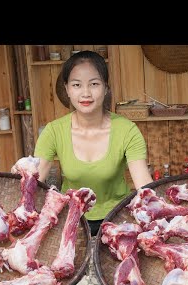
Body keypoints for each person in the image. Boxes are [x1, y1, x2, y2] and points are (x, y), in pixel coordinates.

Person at [34, 50, 152, 236]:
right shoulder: (54, 131)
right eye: (77, 85)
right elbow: (34, 183)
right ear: (67, 89)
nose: (86, 93)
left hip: (118, 220)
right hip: (72, 221)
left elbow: (144, 186)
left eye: (94, 84)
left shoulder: (127, 130)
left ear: (105, 88)